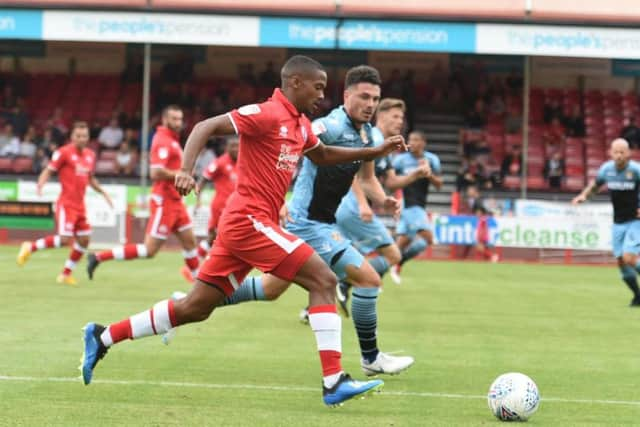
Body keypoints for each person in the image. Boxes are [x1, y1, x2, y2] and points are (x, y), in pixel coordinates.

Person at [80, 56, 405, 406]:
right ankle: (334, 380)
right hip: (249, 220)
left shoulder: (301, 125)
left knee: (195, 308)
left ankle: (103, 336)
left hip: (248, 225)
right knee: (324, 280)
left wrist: (375, 149)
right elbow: (204, 126)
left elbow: (323, 155)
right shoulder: (266, 113)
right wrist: (186, 170)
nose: (322, 95)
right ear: (295, 82)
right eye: (319, 87)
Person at [197, 66, 416, 377]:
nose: (370, 104)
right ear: (347, 95)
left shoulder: (372, 134)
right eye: (364, 96)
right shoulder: (328, 126)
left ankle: (195, 302)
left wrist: (383, 200)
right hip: (306, 223)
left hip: (324, 223)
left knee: (271, 289)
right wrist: (282, 201)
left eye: (375, 99)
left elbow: (366, 179)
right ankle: (371, 358)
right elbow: (288, 153)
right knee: (369, 279)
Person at [334, 98, 430, 313]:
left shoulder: (386, 146)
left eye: (402, 118)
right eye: (395, 116)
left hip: (346, 208)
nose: (400, 122)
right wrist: (362, 204)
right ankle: (346, 283)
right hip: (351, 207)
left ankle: (316, 303)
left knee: (339, 255)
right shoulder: (373, 139)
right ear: (381, 116)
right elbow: (352, 173)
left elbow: (391, 182)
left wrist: (416, 174)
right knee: (393, 255)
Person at [86, 105, 200, 284]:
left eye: (180, 119)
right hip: (165, 202)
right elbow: (155, 172)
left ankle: (199, 286)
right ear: (164, 120)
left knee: (190, 243)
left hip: (176, 202)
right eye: (174, 119)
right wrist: (181, 175)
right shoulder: (162, 140)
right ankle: (98, 257)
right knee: (149, 250)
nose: (178, 123)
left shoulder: (172, 140)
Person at [16, 122, 113, 285]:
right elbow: (49, 170)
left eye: (85, 136)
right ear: (72, 137)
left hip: (80, 206)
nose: (82, 139)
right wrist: (41, 183)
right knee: (64, 239)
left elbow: (90, 178)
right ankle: (30, 247)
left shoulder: (90, 155)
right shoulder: (63, 153)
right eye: (78, 136)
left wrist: (103, 193)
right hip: (66, 205)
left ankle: (66, 274)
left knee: (84, 240)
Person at [572, 138, 640, 306]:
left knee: (629, 257)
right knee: (621, 262)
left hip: (636, 220)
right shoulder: (606, 170)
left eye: (622, 152)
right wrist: (584, 196)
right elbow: (595, 185)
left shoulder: (636, 171)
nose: (618, 155)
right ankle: (637, 296)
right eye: (615, 152)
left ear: (629, 153)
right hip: (618, 222)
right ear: (610, 153)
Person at [388, 130, 443, 284]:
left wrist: (428, 173)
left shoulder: (432, 159)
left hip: (418, 205)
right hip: (410, 205)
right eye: (410, 139)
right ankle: (399, 263)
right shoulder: (400, 160)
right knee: (429, 238)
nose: (412, 143)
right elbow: (389, 180)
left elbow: (439, 184)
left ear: (423, 142)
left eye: (416, 140)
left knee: (399, 245)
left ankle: (377, 273)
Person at [195, 136, 239, 260]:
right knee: (218, 237)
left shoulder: (243, 162)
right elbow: (203, 179)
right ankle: (203, 263)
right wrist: (198, 200)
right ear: (227, 148)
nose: (236, 149)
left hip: (237, 208)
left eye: (238, 146)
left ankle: (195, 264)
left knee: (214, 238)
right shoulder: (220, 162)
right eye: (233, 146)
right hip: (220, 206)